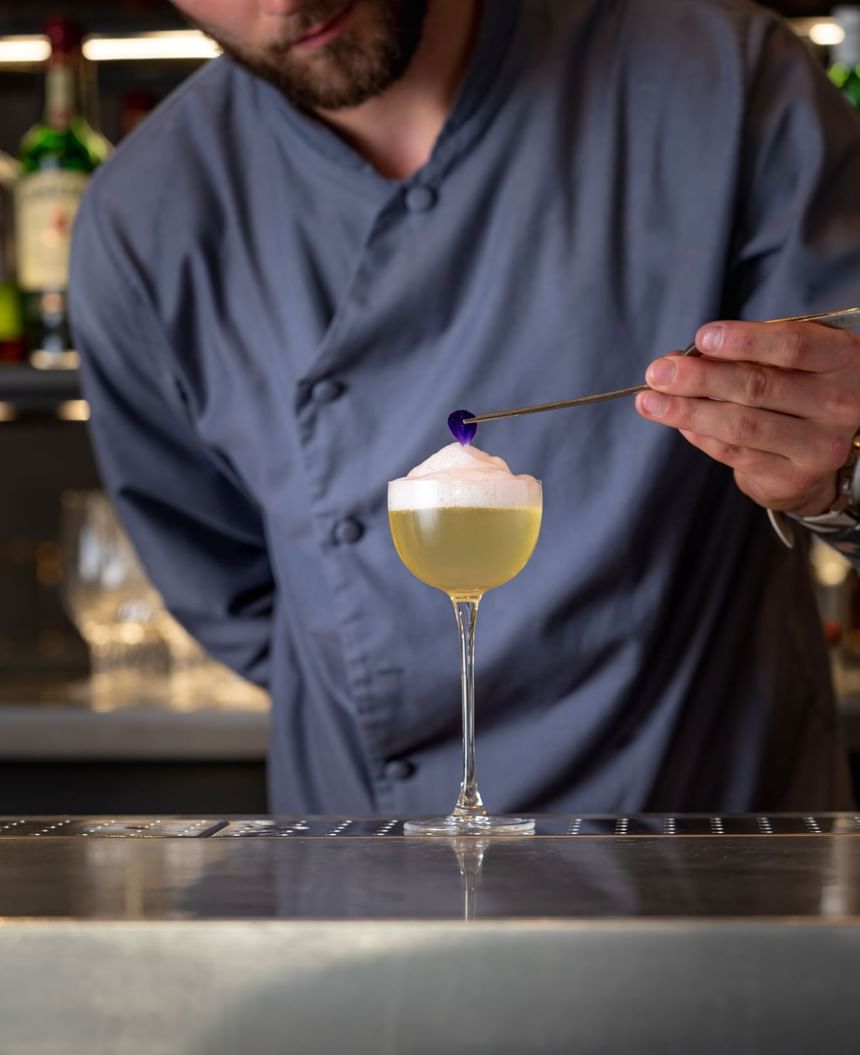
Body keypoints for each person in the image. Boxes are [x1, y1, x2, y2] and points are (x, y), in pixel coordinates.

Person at [70, 0, 860, 816]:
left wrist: (840, 478)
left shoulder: (720, 75)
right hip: (374, 865)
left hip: (709, 834)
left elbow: (846, 432)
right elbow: (226, 592)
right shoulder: (148, 218)